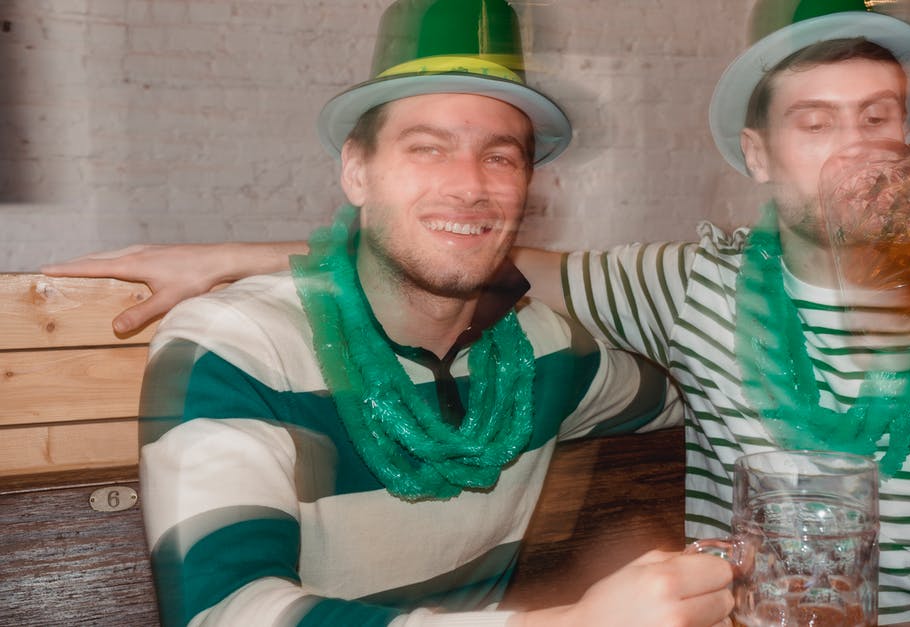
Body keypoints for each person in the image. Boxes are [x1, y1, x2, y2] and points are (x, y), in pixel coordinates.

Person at [46, 0, 910, 623]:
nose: (855, 149)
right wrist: (225, 257)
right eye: (814, 121)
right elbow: (470, 249)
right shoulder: (685, 285)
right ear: (757, 152)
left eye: (879, 116)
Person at [113, 1, 736, 625]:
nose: (469, 185)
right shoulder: (239, 345)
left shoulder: (546, 350)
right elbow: (222, 613)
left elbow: (690, 396)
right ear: (357, 172)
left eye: (499, 156)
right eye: (427, 149)